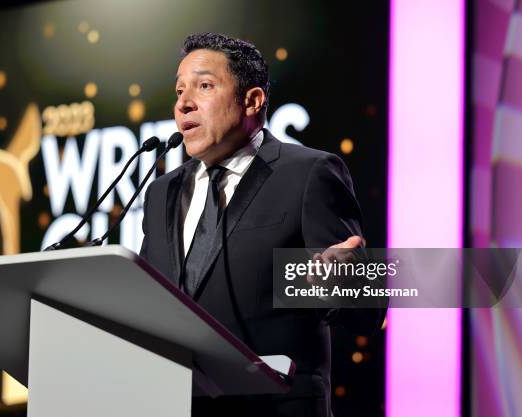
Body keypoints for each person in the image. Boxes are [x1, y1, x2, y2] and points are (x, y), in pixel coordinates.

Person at [140, 32, 384, 417]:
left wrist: (346, 283)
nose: (183, 103)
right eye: (179, 91)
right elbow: (146, 304)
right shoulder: (161, 193)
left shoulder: (308, 173)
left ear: (253, 100)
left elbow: (366, 314)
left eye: (203, 86)